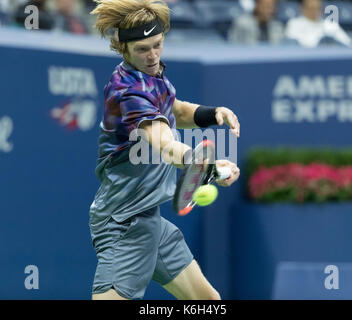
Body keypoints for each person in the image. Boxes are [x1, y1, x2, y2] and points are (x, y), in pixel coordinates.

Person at [89, 0, 241, 300]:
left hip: (150, 219)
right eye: (142, 49)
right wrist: (204, 165)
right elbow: (163, 143)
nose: (152, 55)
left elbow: (175, 111)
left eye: (157, 45)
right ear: (124, 49)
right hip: (123, 222)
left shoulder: (153, 76)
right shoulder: (128, 91)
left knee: (207, 301)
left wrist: (212, 114)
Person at [285, 0, 352, 48]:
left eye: (317, 8)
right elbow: (293, 46)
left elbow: (348, 43)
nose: (315, 11)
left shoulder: (330, 24)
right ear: (303, 8)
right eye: (311, 8)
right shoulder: (294, 24)